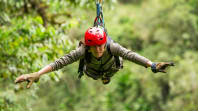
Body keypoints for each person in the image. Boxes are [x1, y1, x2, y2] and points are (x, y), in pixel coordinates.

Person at [15, 26, 174, 88]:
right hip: (92, 71)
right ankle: (103, 77)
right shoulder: (82, 51)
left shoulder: (112, 47)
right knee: (94, 74)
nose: (98, 49)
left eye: (101, 45)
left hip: (111, 67)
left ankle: (106, 77)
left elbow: (130, 55)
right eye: (95, 46)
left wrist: (151, 64)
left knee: (114, 66)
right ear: (89, 46)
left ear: (104, 43)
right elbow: (60, 62)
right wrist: (38, 73)